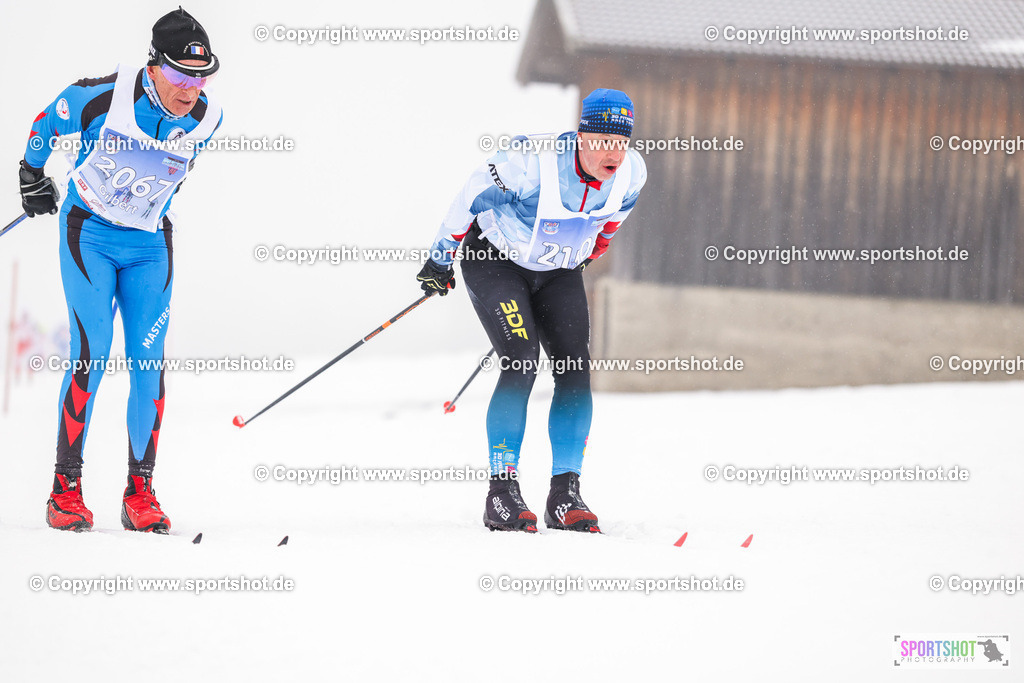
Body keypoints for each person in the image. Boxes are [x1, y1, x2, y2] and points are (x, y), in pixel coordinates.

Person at [19, 8, 223, 533]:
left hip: (151, 244)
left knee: (149, 366)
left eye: (200, 76)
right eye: (179, 73)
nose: (190, 88)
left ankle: (141, 493)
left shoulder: (210, 117)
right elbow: (48, 121)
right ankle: (64, 490)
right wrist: (31, 174)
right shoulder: (102, 98)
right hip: (89, 235)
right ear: (154, 66)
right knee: (90, 356)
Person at [416, 89, 647, 533]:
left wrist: (589, 251)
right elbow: (469, 197)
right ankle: (501, 493)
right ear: (580, 136)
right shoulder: (530, 163)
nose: (612, 152)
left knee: (575, 369)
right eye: (600, 140)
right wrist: (440, 259)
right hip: (496, 261)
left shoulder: (631, 173)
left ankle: (565, 494)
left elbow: (612, 220)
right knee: (522, 359)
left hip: (557, 270)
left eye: (620, 141)